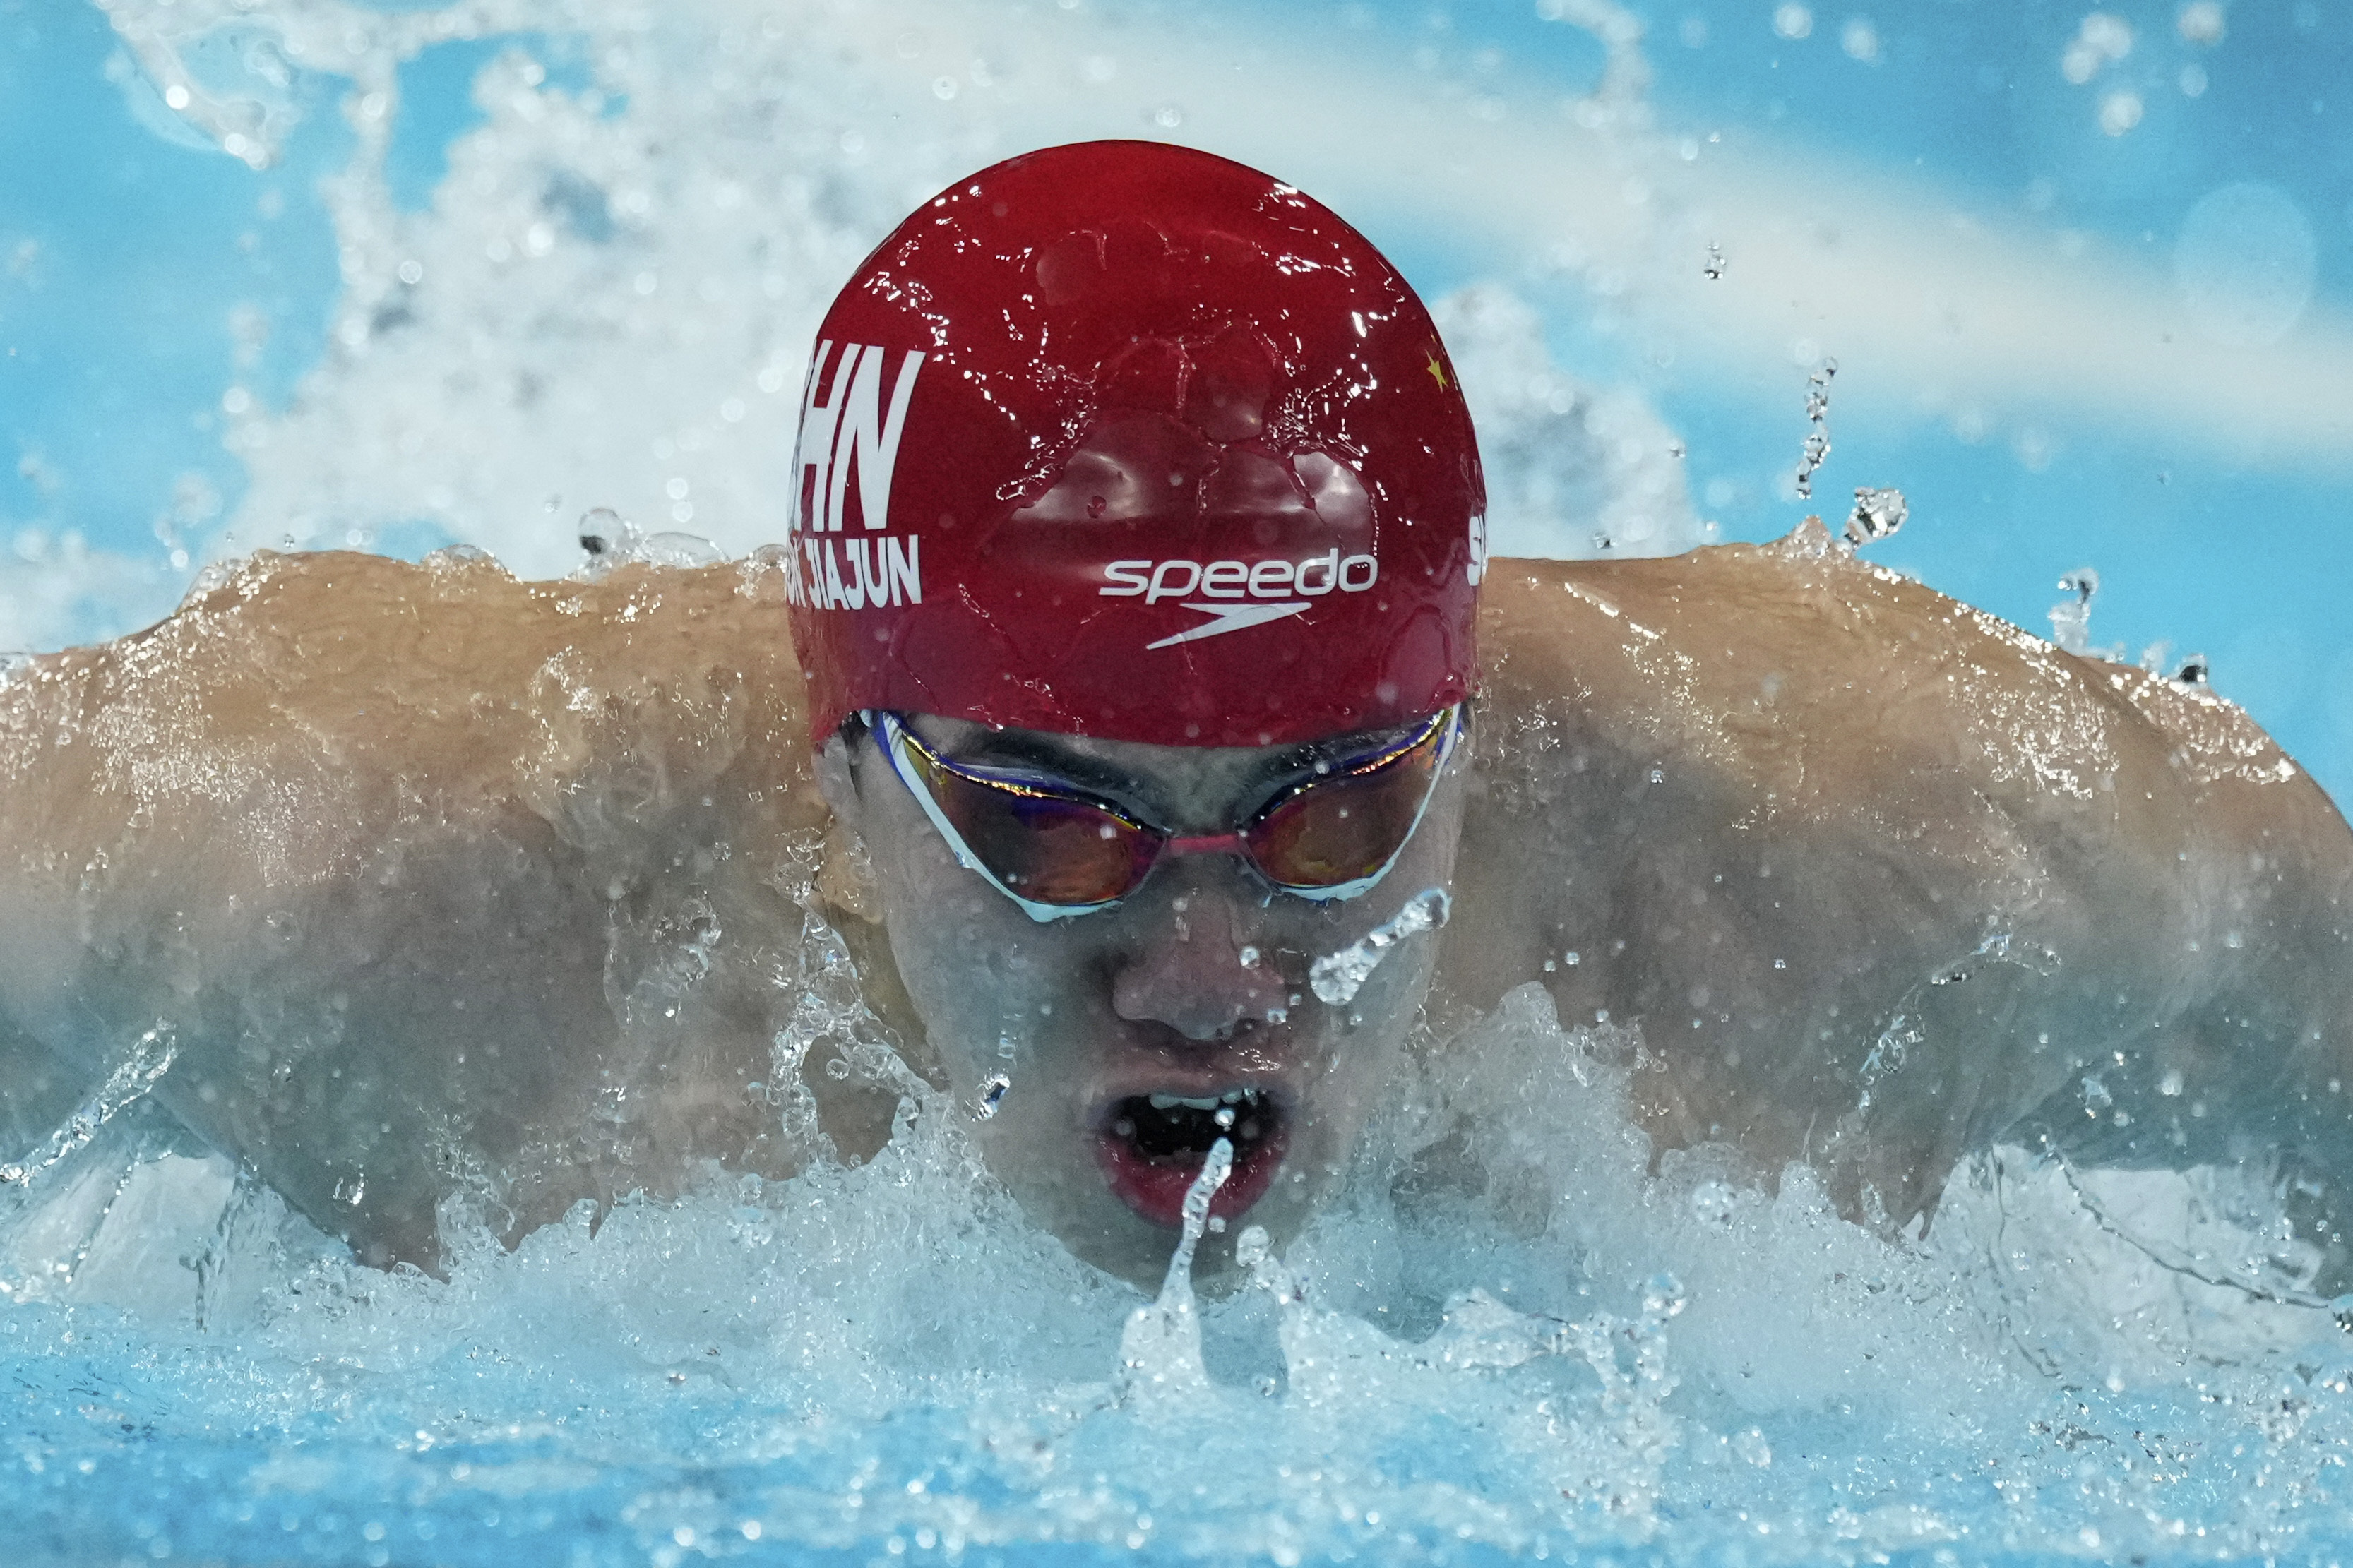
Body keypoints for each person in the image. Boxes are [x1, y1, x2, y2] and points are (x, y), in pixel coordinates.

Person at [3, 143, 2349, 1290]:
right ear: (848, 758)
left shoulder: (1897, 871)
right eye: (1059, 828)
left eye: (1336, 816)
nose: (1218, 976)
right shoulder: (335, 876)